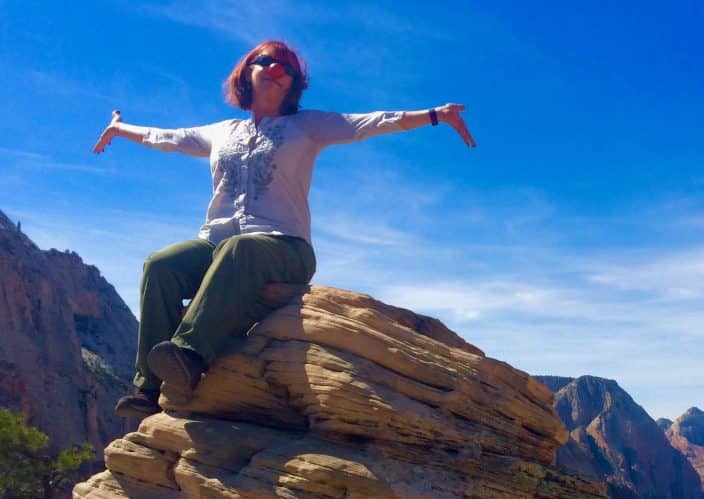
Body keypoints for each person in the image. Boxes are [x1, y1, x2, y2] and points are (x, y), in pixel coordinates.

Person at [92, 40, 476, 418]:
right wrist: (120, 128)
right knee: (161, 265)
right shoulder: (223, 132)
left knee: (239, 249)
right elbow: (169, 138)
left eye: (288, 69)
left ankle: (189, 355)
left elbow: (369, 123)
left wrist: (434, 114)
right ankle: (147, 387)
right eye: (268, 62)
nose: (278, 71)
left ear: (294, 85)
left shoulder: (307, 126)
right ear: (247, 71)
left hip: (284, 247)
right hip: (217, 244)